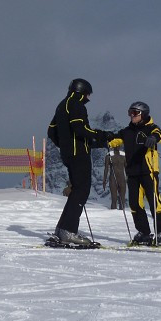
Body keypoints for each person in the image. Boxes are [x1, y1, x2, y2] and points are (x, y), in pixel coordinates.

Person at [47, 78, 113, 246]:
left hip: (68, 153)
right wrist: (103, 135)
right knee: (82, 190)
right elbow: (81, 129)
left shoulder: (62, 105)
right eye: (87, 95)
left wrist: (64, 146)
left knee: (76, 190)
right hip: (78, 154)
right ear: (81, 92)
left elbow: (51, 131)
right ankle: (68, 231)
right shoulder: (76, 105)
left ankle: (62, 229)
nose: (88, 99)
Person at [110, 101, 161, 246]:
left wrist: (153, 138)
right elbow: (114, 140)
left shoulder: (152, 128)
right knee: (134, 204)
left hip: (148, 171)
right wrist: (101, 140)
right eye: (130, 112)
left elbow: (159, 136)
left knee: (155, 203)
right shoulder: (127, 131)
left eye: (135, 113)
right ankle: (143, 232)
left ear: (143, 114)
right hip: (132, 172)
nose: (131, 116)